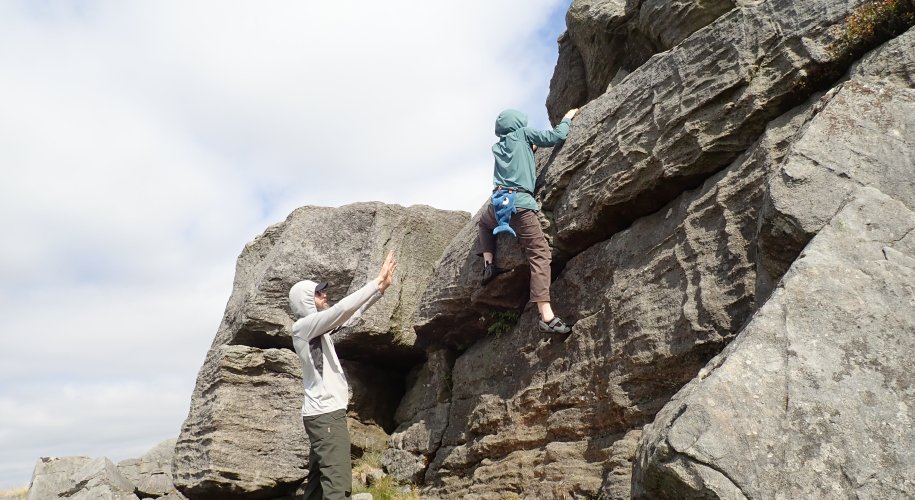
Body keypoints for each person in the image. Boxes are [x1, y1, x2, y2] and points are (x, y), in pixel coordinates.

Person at [288, 252, 397, 500]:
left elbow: (349, 316)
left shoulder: (317, 329)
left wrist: (380, 290)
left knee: (317, 488)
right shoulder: (304, 327)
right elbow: (342, 309)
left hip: (321, 415)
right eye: (318, 293)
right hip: (326, 416)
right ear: (306, 300)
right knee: (338, 488)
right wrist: (376, 281)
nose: (324, 295)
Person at [478, 108, 578, 334]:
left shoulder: (499, 147)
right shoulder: (523, 133)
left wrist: (529, 149)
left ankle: (488, 264)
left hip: (498, 204)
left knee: (483, 224)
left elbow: (515, 158)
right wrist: (567, 118)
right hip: (520, 205)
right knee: (540, 254)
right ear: (518, 123)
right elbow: (556, 136)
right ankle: (546, 316)